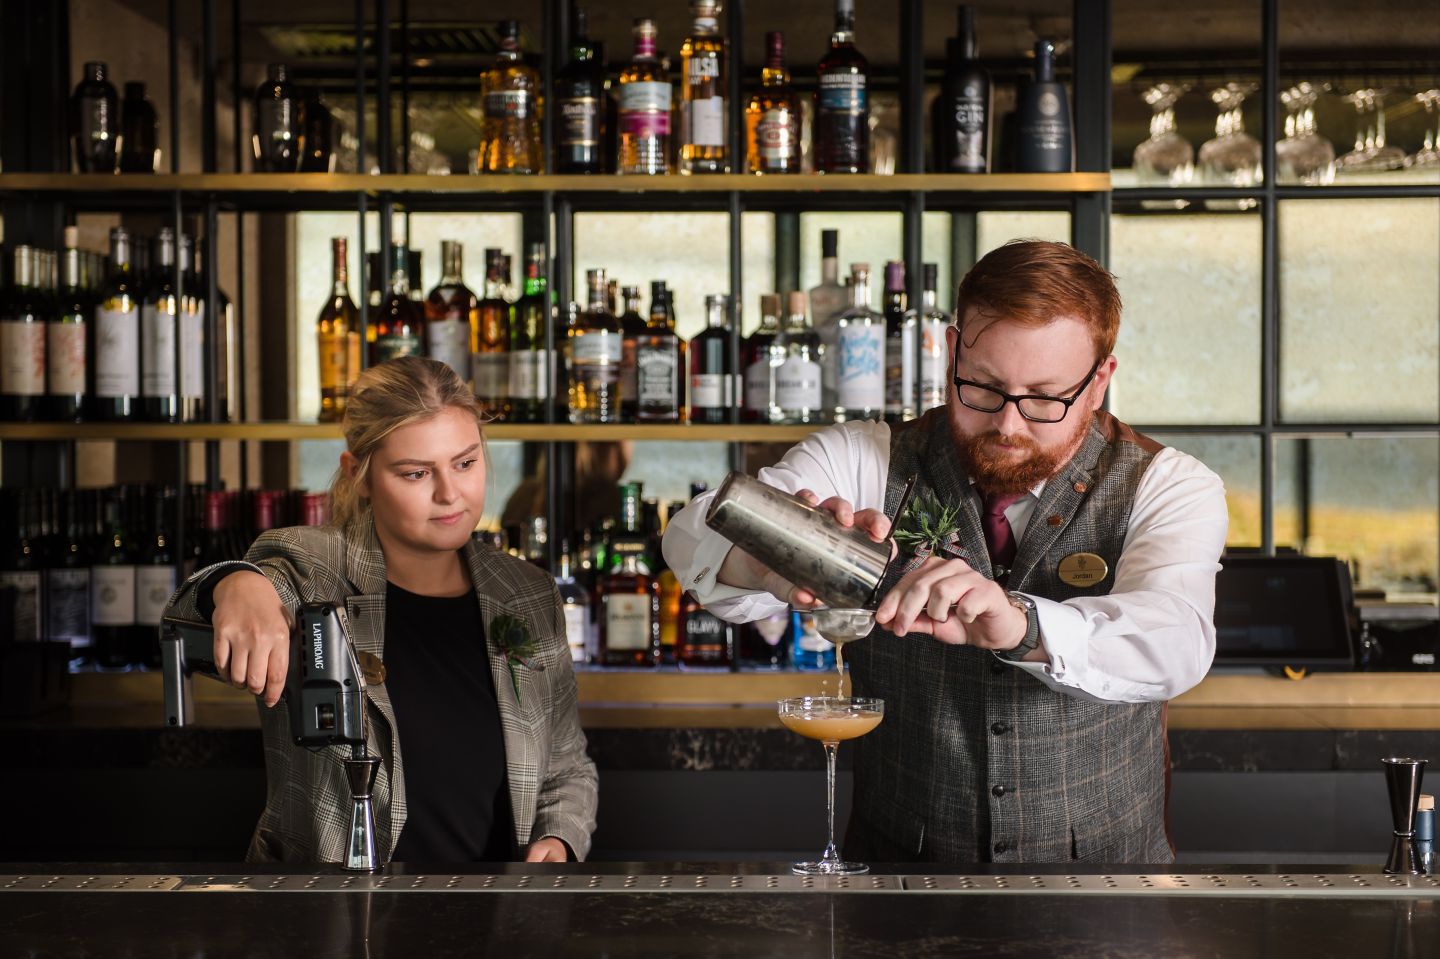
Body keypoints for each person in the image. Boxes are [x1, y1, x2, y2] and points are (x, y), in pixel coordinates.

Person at [663, 240, 1228, 864]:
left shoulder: (1167, 483)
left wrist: (1021, 625)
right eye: (982, 386)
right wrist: (763, 561)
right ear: (952, 350)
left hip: (1108, 886)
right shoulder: (864, 457)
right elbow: (692, 532)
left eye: (1044, 398)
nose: (1008, 424)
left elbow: (1176, 640)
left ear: (1098, 382)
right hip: (898, 881)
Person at [165, 356, 598, 865]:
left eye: (465, 463)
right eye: (416, 473)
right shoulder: (311, 567)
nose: (450, 493)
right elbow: (186, 618)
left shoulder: (527, 593)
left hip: (495, 901)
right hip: (330, 904)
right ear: (360, 475)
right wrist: (233, 584)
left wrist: (559, 838)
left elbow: (566, 766)